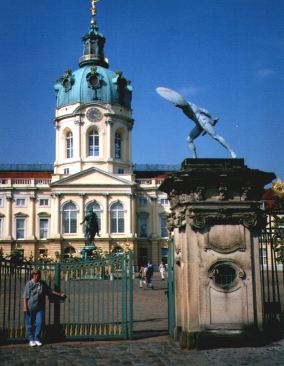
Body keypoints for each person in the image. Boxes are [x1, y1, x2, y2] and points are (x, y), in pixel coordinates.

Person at [156, 87, 236, 159]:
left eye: (175, 103)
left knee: (215, 136)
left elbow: (204, 111)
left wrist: (211, 120)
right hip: (198, 125)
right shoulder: (184, 109)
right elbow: (204, 110)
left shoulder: (188, 106)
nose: (174, 104)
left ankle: (231, 151)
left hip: (203, 121)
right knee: (189, 140)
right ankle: (194, 158)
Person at [22, 269, 66, 347]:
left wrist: (60, 294)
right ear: (32, 275)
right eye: (35, 274)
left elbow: (50, 290)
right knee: (29, 324)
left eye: (38, 274)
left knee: (40, 323)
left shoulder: (42, 284)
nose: (37, 276)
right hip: (30, 307)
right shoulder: (29, 284)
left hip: (40, 307)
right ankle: (31, 339)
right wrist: (25, 307)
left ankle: (37, 338)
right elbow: (25, 297)